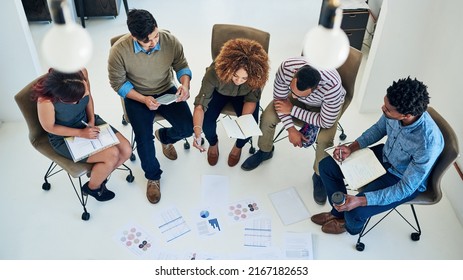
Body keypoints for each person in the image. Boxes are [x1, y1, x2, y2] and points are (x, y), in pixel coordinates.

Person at [311, 77, 444, 235]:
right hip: (384, 156)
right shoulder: (394, 111)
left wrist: (360, 200)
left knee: (354, 213)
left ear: (406, 115)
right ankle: (338, 211)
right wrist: (351, 147)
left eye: (387, 109)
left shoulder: (428, 143)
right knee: (327, 166)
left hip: (401, 179)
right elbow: (378, 129)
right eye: (385, 104)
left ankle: (346, 224)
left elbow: (405, 188)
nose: (383, 108)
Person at [108, 9, 193, 204]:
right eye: (147, 41)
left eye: (155, 36)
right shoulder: (118, 51)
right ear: (133, 36)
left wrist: (185, 85)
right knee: (144, 140)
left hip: (166, 90)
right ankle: (153, 177)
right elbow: (118, 84)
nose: (154, 43)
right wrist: (143, 99)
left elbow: (181, 65)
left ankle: (164, 137)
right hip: (137, 96)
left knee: (187, 128)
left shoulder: (169, 40)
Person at [241, 57, 345, 205]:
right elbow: (279, 100)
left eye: (299, 94)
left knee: (325, 139)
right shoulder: (287, 67)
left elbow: (325, 121)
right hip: (292, 105)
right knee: (268, 116)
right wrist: (291, 129)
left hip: (323, 109)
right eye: (292, 90)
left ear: (315, 88)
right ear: (295, 73)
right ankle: (265, 151)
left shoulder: (332, 87)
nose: (294, 95)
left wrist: (292, 109)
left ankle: (319, 175)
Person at [33, 68, 132, 202]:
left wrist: (91, 120)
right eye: (75, 100)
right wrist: (81, 133)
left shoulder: (81, 73)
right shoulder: (45, 100)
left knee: (126, 150)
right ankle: (93, 187)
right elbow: (49, 127)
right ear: (61, 98)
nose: (81, 100)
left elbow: (89, 97)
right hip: (64, 135)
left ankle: (100, 174)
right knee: (112, 155)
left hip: (86, 122)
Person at [192, 38, 270, 167]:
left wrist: (243, 122)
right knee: (206, 122)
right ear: (228, 69)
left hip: (244, 97)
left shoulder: (257, 76)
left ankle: (238, 147)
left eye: (244, 78)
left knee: (249, 127)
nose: (239, 81)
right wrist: (197, 132)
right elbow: (200, 104)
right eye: (235, 76)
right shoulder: (214, 72)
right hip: (219, 92)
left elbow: (251, 100)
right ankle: (213, 143)